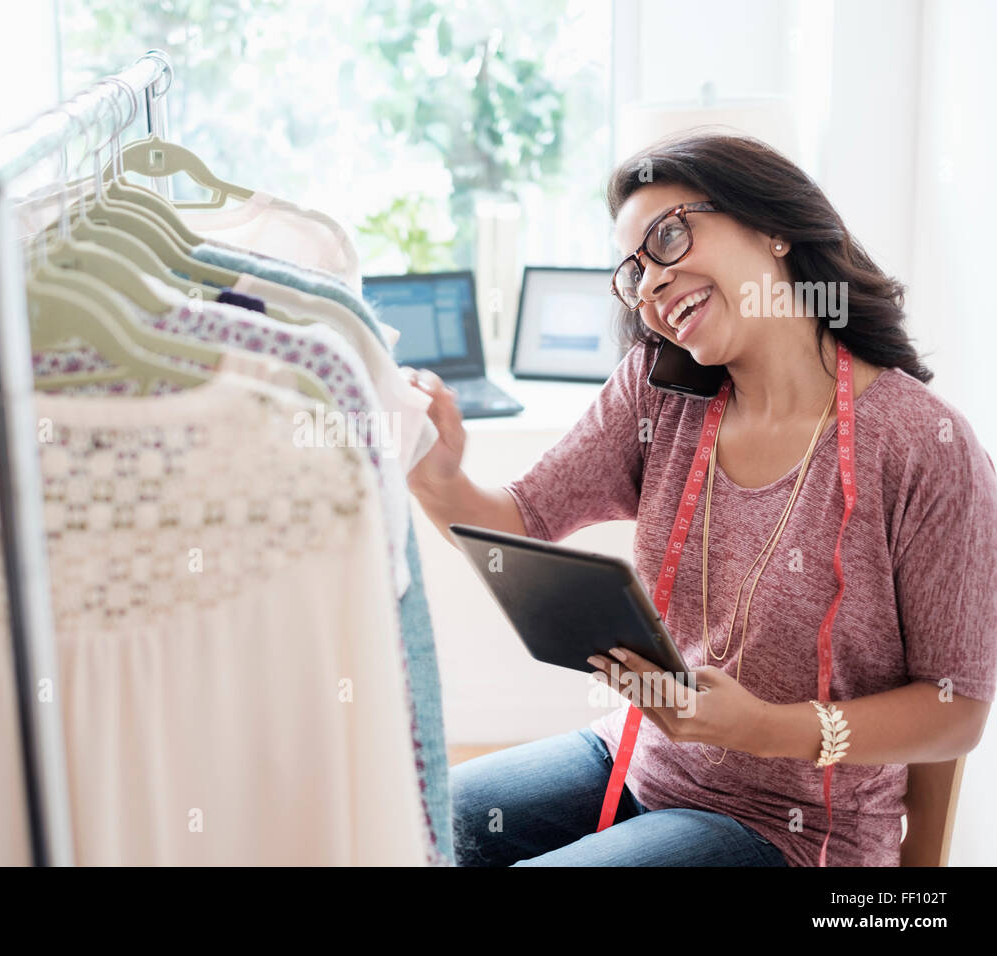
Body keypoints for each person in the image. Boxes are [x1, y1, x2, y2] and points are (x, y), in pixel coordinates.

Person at [407, 130, 997, 867]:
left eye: (670, 236)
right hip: (645, 762)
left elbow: (957, 710)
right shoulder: (658, 393)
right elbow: (519, 520)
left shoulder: (922, 445)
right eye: (632, 273)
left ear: (774, 227)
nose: (650, 285)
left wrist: (762, 729)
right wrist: (437, 476)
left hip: (795, 833)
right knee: (421, 817)